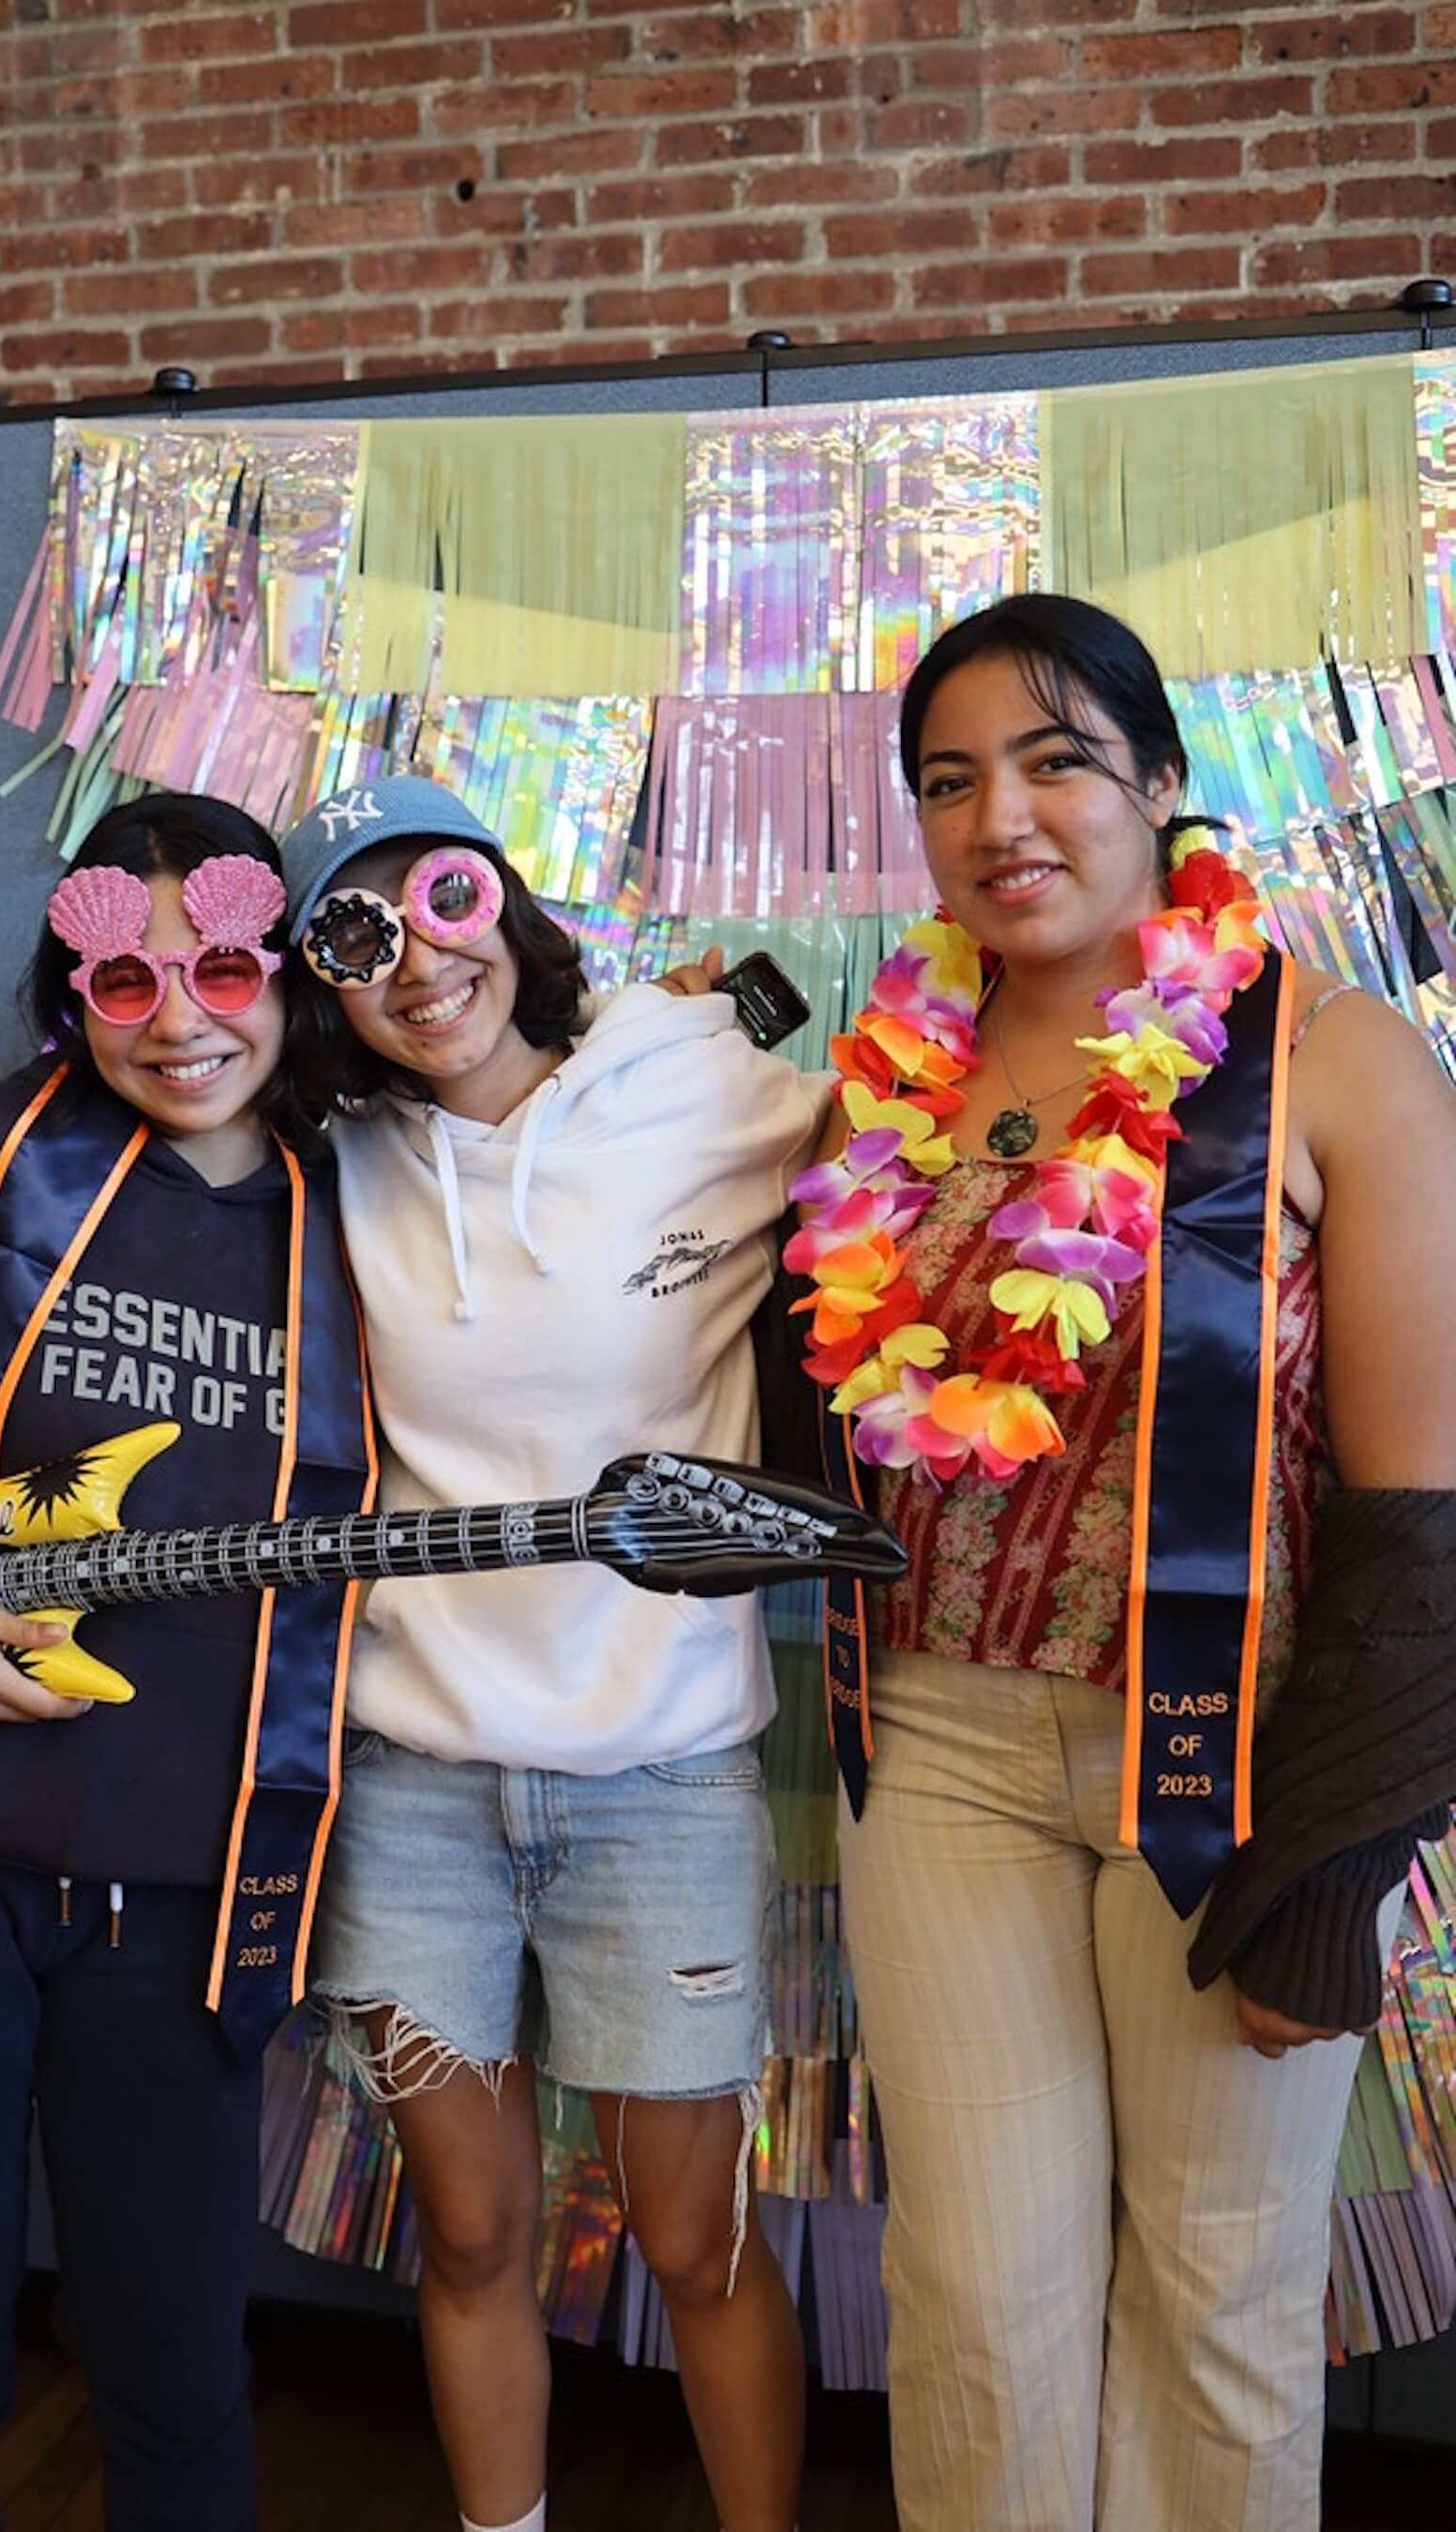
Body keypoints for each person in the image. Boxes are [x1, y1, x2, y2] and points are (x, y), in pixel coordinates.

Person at [793, 594, 1456, 2531]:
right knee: (977, 2307)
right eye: (950, 779)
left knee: (1216, 2303)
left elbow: (1425, 1519)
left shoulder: (1340, 1060)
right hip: (940, 1755)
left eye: (1058, 757)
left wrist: (1335, 1874)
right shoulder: (887, 1082)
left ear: (1161, 782)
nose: (1003, 814)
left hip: (1236, 1773)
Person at [0, 794, 374, 2532]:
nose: (181, 1018)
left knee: (183, 2384)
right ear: (72, 988)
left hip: (190, 1896)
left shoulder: (378, 1214)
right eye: (126, 977)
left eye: (228, 966)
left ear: (297, 973)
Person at [277, 774, 822, 2532]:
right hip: (416, 1789)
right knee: (472, 2229)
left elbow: (942, 1142)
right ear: (321, 987)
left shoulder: (698, 1080)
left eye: (445, 901)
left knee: (696, 2239)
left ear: (503, 903)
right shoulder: (326, 1169)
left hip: (661, 1778)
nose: (420, 964)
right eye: (355, 938)